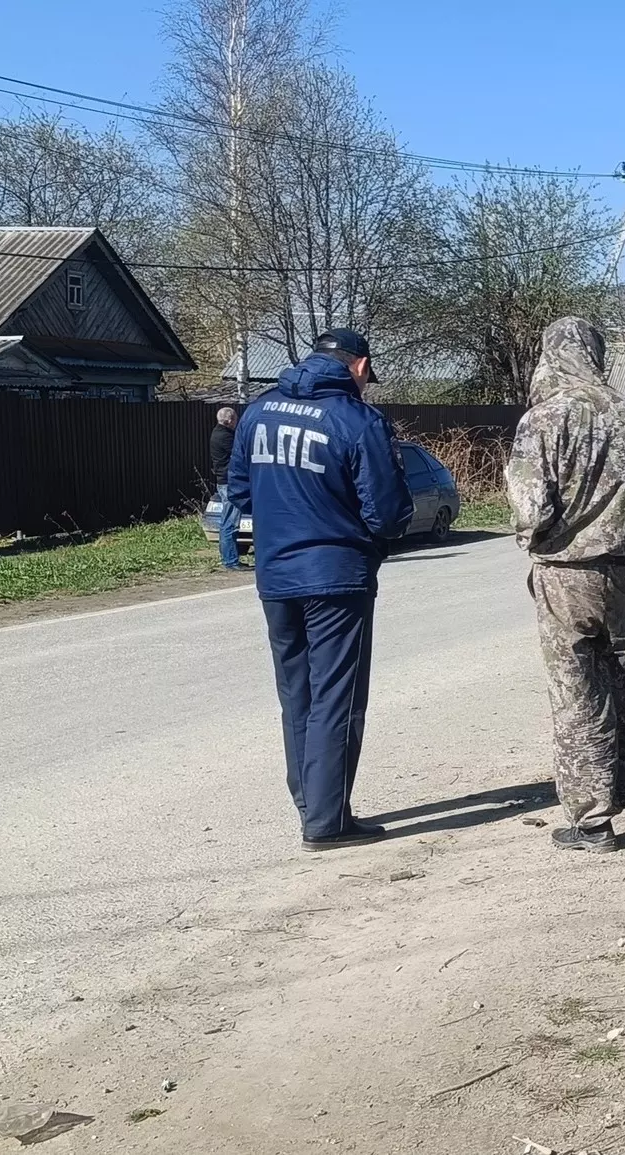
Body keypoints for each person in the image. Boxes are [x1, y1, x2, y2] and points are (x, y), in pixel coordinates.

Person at [226, 328, 414, 852]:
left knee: (297, 695)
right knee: (338, 696)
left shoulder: (259, 411)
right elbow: (390, 514)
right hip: (337, 576)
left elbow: (239, 491)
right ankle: (327, 823)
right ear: (359, 366)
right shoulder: (358, 421)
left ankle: (312, 802)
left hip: (276, 575)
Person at [507, 316, 625, 854]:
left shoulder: (541, 421)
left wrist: (538, 542)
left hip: (565, 574)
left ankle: (593, 820)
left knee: (578, 694)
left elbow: (531, 511)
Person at [209, 407, 243, 569]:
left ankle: (230, 558)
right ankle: (230, 560)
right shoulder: (225, 436)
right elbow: (239, 454)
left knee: (228, 521)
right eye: (236, 419)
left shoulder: (218, 433)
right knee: (230, 523)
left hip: (223, 480)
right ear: (230, 421)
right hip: (228, 482)